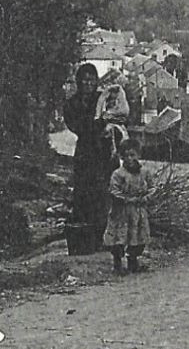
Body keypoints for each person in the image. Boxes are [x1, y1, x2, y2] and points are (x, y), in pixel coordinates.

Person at [63, 63, 129, 245]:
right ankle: (86, 240)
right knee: (84, 195)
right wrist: (100, 122)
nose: (87, 83)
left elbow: (120, 115)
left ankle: (105, 238)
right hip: (85, 154)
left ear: (96, 81)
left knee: (105, 195)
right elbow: (79, 128)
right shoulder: (71, 104)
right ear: (78, 82)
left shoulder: (103, 99)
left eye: (91, 80)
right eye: (83, 80)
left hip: (105, 154)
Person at [104, 141, 152, 273]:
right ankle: (117, 265)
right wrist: (127, 199)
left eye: (133, 155)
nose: (130, 159)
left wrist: (145, 198)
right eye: (126, 156)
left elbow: (153, 188)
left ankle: (133, 262)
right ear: (121, 157)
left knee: (137, 236)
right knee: (119, 238)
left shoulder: (144, 172)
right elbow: (114, 191)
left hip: (138, 211)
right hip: (121, 212)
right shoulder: (118, 174)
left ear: (138, 155)